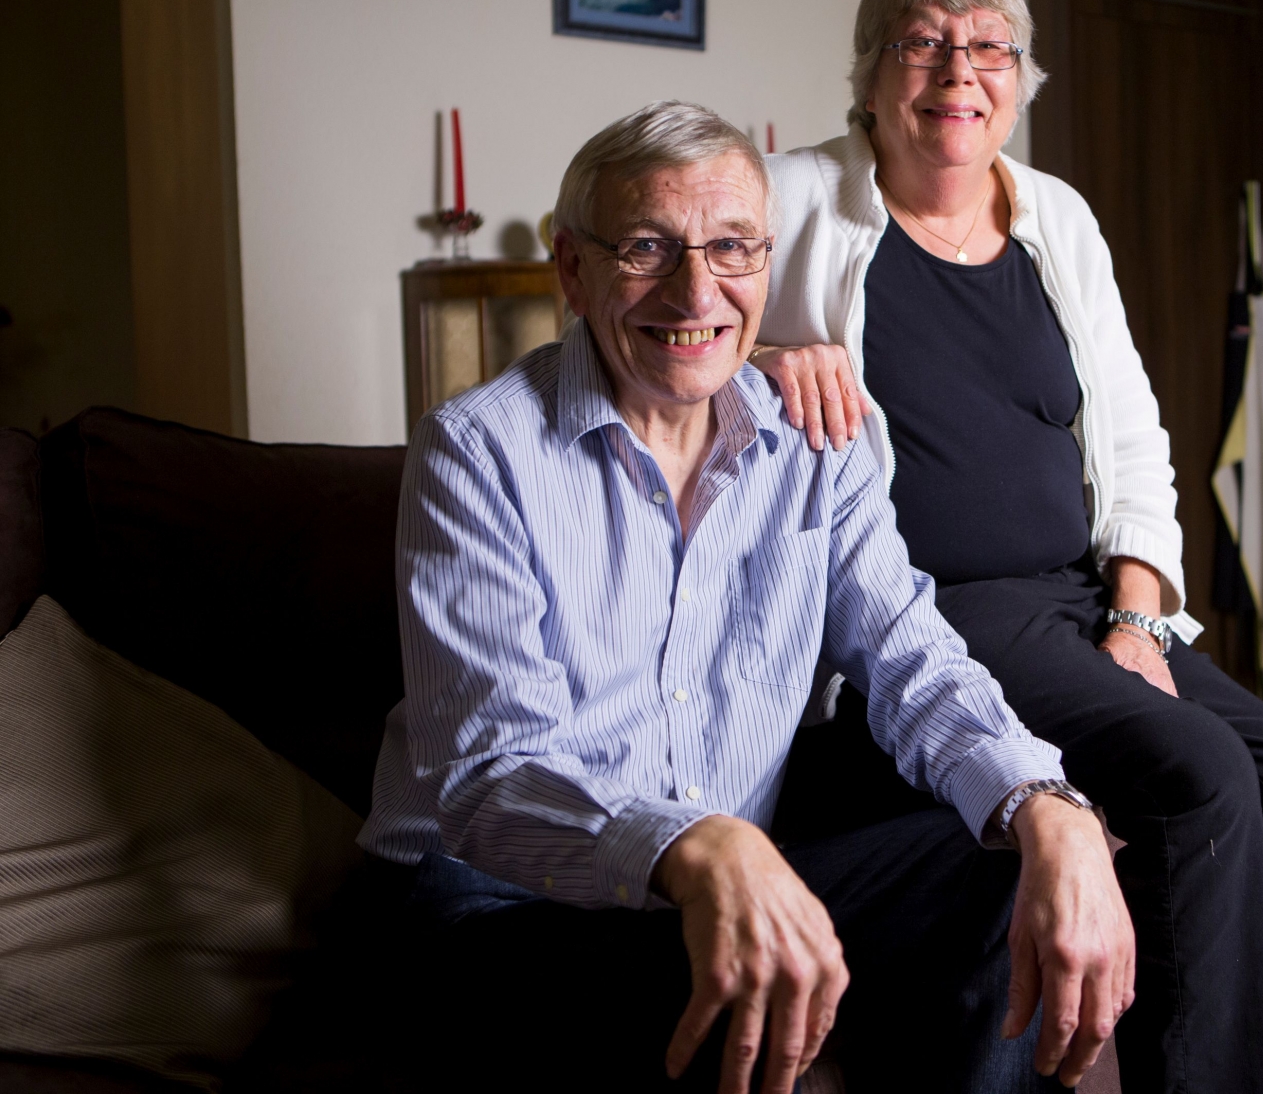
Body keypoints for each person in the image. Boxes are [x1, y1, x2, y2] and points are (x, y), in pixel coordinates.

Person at [752, 0, 1263, 1094]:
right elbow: (659, 314)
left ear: (1019, 78)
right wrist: (766, 355)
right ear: (869, 75)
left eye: (988, 46)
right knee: (1199, 775)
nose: (957, 70)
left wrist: (1138, 614)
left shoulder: (1054, 216)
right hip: (933, 614)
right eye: (922, 43)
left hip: (1076, 601)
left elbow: (1130, 436)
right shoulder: (795, 195)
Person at [357, 101, 1135, 1094]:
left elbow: (911, 655)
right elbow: (491, 776)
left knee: (1000, 872)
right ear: (573, 271)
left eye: (733, 249)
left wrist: (1045, 802)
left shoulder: (819, 444)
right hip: (491, 901)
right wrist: (696, 840)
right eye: (648, 247)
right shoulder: (476, 452)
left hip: (719, 872)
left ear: (767, 264)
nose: (697, 292)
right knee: (709, 981)